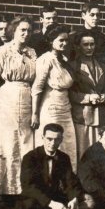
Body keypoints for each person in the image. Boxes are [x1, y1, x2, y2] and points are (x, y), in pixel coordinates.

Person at [0, 16, 38, 196]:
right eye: (22, 30)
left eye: (29, 31)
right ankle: (1, 189)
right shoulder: (1, 52)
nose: (26, 34)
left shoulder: (32, 53)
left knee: (26, 142)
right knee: (7, 142)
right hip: (7, 100)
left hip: (28, 99)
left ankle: (24, 189)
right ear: (14, 31)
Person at [14, 123, 95, 209]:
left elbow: (70, 182)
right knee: (29, 204)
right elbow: (28, 187)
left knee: (89, 201)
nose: (53, 143)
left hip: (55, 196)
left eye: (57, 139)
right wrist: (51, 204)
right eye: (49, 139)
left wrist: (73, 198)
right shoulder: (30, 157)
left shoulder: (64, 157)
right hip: (37, 198)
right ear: (42, 137)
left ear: (61, 139)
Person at [31, 24, 78, 171]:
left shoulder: (63, 59)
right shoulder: (46, 59)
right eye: (61, 40)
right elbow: (37, 88)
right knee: (52, 143)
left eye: (66, 40)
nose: (64, 43)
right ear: (52, 41)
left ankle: (66, 182)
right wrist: (35, 114)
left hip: (65, 106)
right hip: (51, 107)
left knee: (68, 143)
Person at [69, 29, 105, 160]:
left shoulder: (101, 65)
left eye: (92, 44)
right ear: (78, 46)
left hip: (100, 116)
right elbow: (70, 93)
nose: (90, 48)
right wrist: (88, 98)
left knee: (99, 152)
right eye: (86, 44)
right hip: (83, 116)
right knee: (84, 151)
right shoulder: (73, 66)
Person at [70, 1, 105, 66]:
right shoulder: (74, 37)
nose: (95, 18)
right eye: (92, 15)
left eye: (98, 15)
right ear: (83, 16)